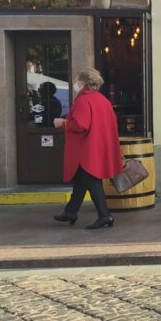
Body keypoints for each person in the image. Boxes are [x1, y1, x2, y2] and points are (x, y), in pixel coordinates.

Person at [53, 69, 122, 229]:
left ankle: (105, 216)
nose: (75, 84)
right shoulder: (102, 100)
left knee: (92, 182)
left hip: (85, 151)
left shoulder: (84, 100)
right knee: (80, 181)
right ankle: (70, 212)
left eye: (76, 80)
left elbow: (80, 125)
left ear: (83, 83)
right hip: (96, 148)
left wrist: (62, 123)